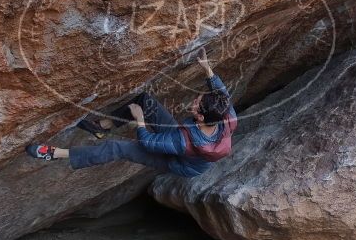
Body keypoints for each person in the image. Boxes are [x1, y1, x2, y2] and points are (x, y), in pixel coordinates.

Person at [25, 50, 237, 177]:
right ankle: (102, 127)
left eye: (196, 103)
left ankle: (56, 153)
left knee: (118, 148)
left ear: (200, 116)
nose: (194, 101)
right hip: (187, 140)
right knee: (145, 101)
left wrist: (140, 120)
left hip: (177, 161)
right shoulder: (224, 115)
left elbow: (148, 143)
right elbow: (221, 94)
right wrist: (207, 68)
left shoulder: (182, 141)